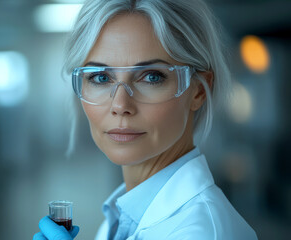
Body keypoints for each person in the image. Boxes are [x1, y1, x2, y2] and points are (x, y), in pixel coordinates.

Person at [34, 0, 258, 239]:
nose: (120, 105)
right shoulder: (121, 218)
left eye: (151, 77)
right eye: (100, 78)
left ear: (199, 91)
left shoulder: (200, 233)